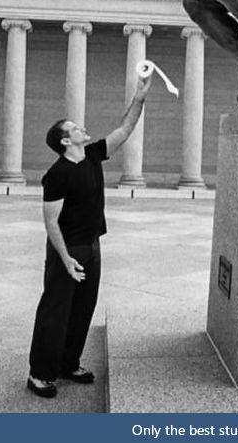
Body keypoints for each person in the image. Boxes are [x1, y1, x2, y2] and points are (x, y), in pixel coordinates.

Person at [27, 73, 152, 398]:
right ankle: (40, 374)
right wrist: (66, 259)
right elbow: (51, 222)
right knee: (55, 309)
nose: (82, 128)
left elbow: (123, 130)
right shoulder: (56, 175)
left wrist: (139, 97)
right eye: (75, 129)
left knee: (83, 307)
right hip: (66, 250)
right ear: (66, 141)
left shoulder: (94, 154)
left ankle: (69, 363)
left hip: (91, 245)